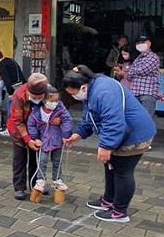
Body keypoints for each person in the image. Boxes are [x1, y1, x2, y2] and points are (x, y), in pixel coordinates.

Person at [63, 65, 156, 223]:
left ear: (83, 86)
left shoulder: (104, 91)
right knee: (110, 165)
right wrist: (79, 134)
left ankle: (119, 211)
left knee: (122, 171)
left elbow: (113, 121)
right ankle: (108, 200)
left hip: (134, 134)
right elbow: (90, 115)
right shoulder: (92, 90)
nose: (73, 96)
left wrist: (106, 146)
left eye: (73, 93)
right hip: (123, 132)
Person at [7, 73, 47, 200]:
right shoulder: (19, 95)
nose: (37, 99)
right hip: (19, 131)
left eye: (39, 97)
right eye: (34, 96)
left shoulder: (49, 93)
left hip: (38, 132)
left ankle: (36, 185)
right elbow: (17, 121)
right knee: (20, 159)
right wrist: (27, 139)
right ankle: (19, 187)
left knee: (36, 160)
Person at [27, 85, 73, 192]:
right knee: (42, 161)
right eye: (52, 100)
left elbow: (68, 120)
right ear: (44, 99)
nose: (54, 103)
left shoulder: (60, 108)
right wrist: (35, 138)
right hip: (43, 140)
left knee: (57, 161)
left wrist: (66, 135)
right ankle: (40, 180)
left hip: (57, 139)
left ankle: (57, 180)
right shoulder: (36, 112)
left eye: (56, 100)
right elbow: (31, 124)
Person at [115, 35, 160, 118]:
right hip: (135, 93)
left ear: (149, 43)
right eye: (138, 43)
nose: (140, 44)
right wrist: (129, 72)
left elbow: (141, 70)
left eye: (142, 42)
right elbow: (131, 73)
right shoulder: (138, 58)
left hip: (147, 94)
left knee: (146, 119)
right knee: (136, 119)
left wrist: (128, 72)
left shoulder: (153, 57)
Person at [0, 49, 24, 136]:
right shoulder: (9, 60)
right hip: (21, 85)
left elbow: (7, 79)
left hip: (14, 88)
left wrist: (10, 92)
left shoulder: (2, 65)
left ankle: (9, 129)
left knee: (11, 109)